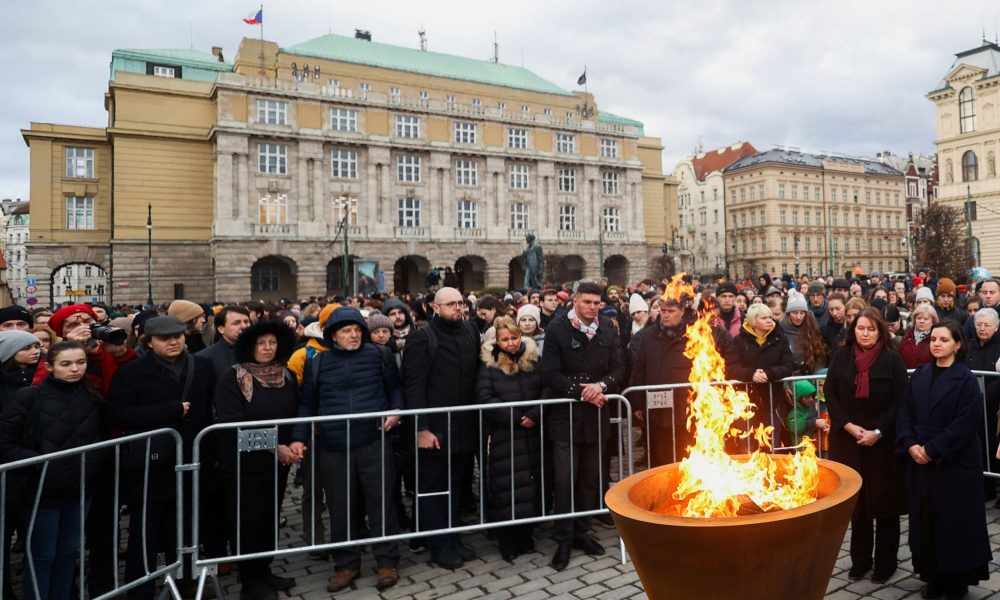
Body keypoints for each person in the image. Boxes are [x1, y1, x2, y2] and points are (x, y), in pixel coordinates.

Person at [289, 307, 404, 592]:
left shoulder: (380, 355)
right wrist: (298, 437)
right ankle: (346, 563)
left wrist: (396, 411)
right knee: (342, 507)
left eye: (356, 330)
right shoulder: (318, 362)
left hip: (372, 440)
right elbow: (307, 404)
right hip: (334, 444)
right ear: (333, 337)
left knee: (381, 502)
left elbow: (395, 389)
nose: (353, 335)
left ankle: (386, 559)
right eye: (346, 331)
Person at [107, 316, 215, 600]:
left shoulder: (201, 366)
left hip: (191, 456)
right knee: (146, 529)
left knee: (186, 525)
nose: (173, 341)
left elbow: (209, 411)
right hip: (151, 462)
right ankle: (141, 588)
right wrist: (169, 410)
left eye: (178, 335)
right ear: (149, 341)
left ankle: (187, 583)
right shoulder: (131, 373)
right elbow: (117, 414)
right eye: (165, 338)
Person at [0, 341, 105, 600]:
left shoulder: (91, 393)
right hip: (41, 490)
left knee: (69, 552)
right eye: (66, 364)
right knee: (43, 556)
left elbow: (99, 436)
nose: (75, 369)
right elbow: (4, 443)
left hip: (80, 488)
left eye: (80, 362)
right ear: (49, 366)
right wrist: (41, 460)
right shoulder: (29, 396)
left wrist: (92, 464)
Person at [898, 320, 992, 600]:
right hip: (921, 461)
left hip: (953, 465)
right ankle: (932, 576)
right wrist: (911, 444)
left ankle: (955, 581)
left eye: (944, 339)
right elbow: (905, 411)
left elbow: (966, 423)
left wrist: (932, 449)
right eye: (933, 339)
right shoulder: (921, 374)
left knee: (954, 523)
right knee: (926, 522)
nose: (936, 344)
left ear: (958, 344)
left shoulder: (965, 379)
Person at [540, 281, 625, 571]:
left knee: (590, 478)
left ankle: (582, 531)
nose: (592, 307)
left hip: (596, 417)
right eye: (587, 301)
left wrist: (601, 386)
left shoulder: (607, 329)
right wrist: (582, 392)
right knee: (565, 481)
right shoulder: (557, 329)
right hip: (566, 417)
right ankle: (563, 537)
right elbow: (550, 373)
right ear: (575, 300)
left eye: (596, 302)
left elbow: (619, 368)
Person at [215, 320, 300, 600]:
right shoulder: (234, 377)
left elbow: (296, 413)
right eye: (261, 343)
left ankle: (264, 571)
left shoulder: (285, 374)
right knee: (248, 521)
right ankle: (250, 582)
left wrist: (293, 443)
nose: (267, 348)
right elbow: (233, 422)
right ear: (250, 346)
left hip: (277, 462)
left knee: (269, 517)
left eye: (272, 343)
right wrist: (276, 447)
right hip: (243, 463)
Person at [824, 307, 908, 584]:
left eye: (871, 329)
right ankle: (860, 561)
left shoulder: (892, 360)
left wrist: (877, 431)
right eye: (861, 328)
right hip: (848, 441)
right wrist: (848, 425)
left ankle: (886, 563)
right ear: (853, 329)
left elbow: (899, 401)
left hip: (881, 444)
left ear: (880, 331)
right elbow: (831, 395)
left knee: (885, 505)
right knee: (857, 507)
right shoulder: (841, 357)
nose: (865, 333)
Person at [400, 287, 480, 569]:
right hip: (434, 429)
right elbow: (414, 387)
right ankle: (439, 545)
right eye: (451, 304)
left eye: (461, 303)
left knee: (457, 485)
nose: (458, 308)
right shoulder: (422, 338)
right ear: (435, 308)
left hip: (464, 426)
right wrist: (421, 428)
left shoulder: (470, 330)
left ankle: (453, 537)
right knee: (435, 488)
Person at [630, 294, 732, 466]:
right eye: (663, 311)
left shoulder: (696, 334)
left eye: (671, 311)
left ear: (682, 312)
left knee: (688, 455)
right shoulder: (647, 337)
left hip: (689, 407)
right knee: (661, 457)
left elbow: (711, 364)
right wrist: (638, 402)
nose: (665, 315)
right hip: (658, 407)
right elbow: (639, 370)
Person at [476, 316, 543, 560]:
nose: (511, 343)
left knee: (530, 485)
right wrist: (515, 417)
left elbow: (545, 388)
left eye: (514, 338)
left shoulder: (533, 359)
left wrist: (535, 414)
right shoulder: (489, 365)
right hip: (505, 434)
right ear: (497, 341)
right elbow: (485, 397)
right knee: (506, 487)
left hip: (532, 433)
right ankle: (508, 541)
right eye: (505, 339)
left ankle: (526, 536)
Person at [728, 303, 796, 447]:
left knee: (772, 444)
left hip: (773, 400)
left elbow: (789, 366)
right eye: (764, 318)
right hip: (747, 402)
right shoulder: (739, 341)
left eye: (770, 317)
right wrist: (750, 374)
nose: (769, 320)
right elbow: (731, 368)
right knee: (748, 445)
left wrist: (769, 374)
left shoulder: (780, 338)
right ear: (753, 321)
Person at [966, 308, 1000, 501]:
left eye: (987, 325)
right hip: (972, 406)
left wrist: (985, 396)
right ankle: (983, 488)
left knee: (992, 446)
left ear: (996, 327)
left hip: (992, 406)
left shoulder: (999, 346)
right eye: (978, 324)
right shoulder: (970, 346)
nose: (982, 328)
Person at [195, 305, 251, 381]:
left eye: (246, 321)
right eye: (236, 323)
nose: (244, 326)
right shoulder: (203, 358)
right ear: (221, 329)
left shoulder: (259, 352)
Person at [780, 294, 828, 374]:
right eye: (795, 313)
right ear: (788, 313)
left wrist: (816, 376)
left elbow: (820, 355)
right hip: (791, 378)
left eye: (802, 313)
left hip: (812, 375)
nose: (798, 317)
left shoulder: (812, 328)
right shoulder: (780, 331)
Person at [0, 330, 42, 410]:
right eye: (26, 348)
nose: (36, 352)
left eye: (37, 347)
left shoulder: (45, 374)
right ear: (6, 352)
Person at [785, 379, 828, 448]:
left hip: (814, 447)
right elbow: (796, 428)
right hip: (802, 451)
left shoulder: (813, 408)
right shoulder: (794, 413)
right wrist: (815, 422)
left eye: (812, 396)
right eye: (807, 397)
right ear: (798, 398)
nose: (811, 399)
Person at [901, 305, 938, 369]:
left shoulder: (935, 339)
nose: (921, 321)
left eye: (925, 319)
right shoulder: (906, 335)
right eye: (919, 318)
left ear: (933, 321)